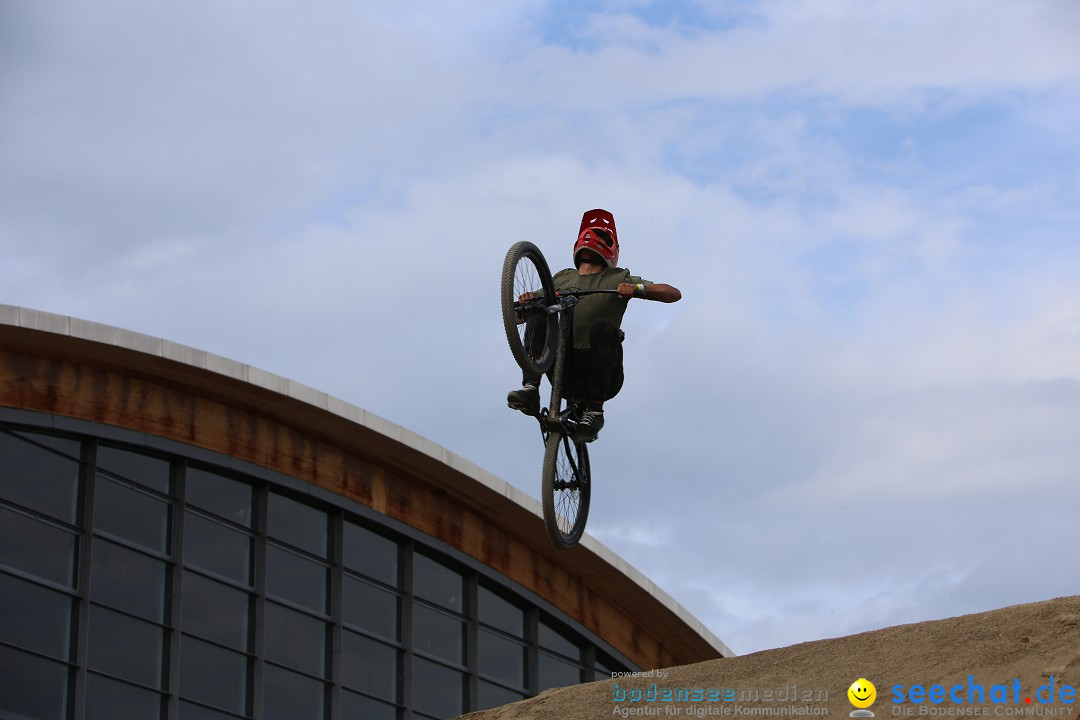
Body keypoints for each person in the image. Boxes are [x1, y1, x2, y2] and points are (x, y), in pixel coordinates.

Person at [507, 209, 681, 441]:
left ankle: (594, 409)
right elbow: (517, 318)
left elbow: (673, 294)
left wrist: (636, 290)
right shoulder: (562, 278)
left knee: (603, 328)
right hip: (564, 365)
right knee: (540, 308)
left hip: (600, 370)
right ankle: (530, 389)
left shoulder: (618, 277)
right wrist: (525, 305)